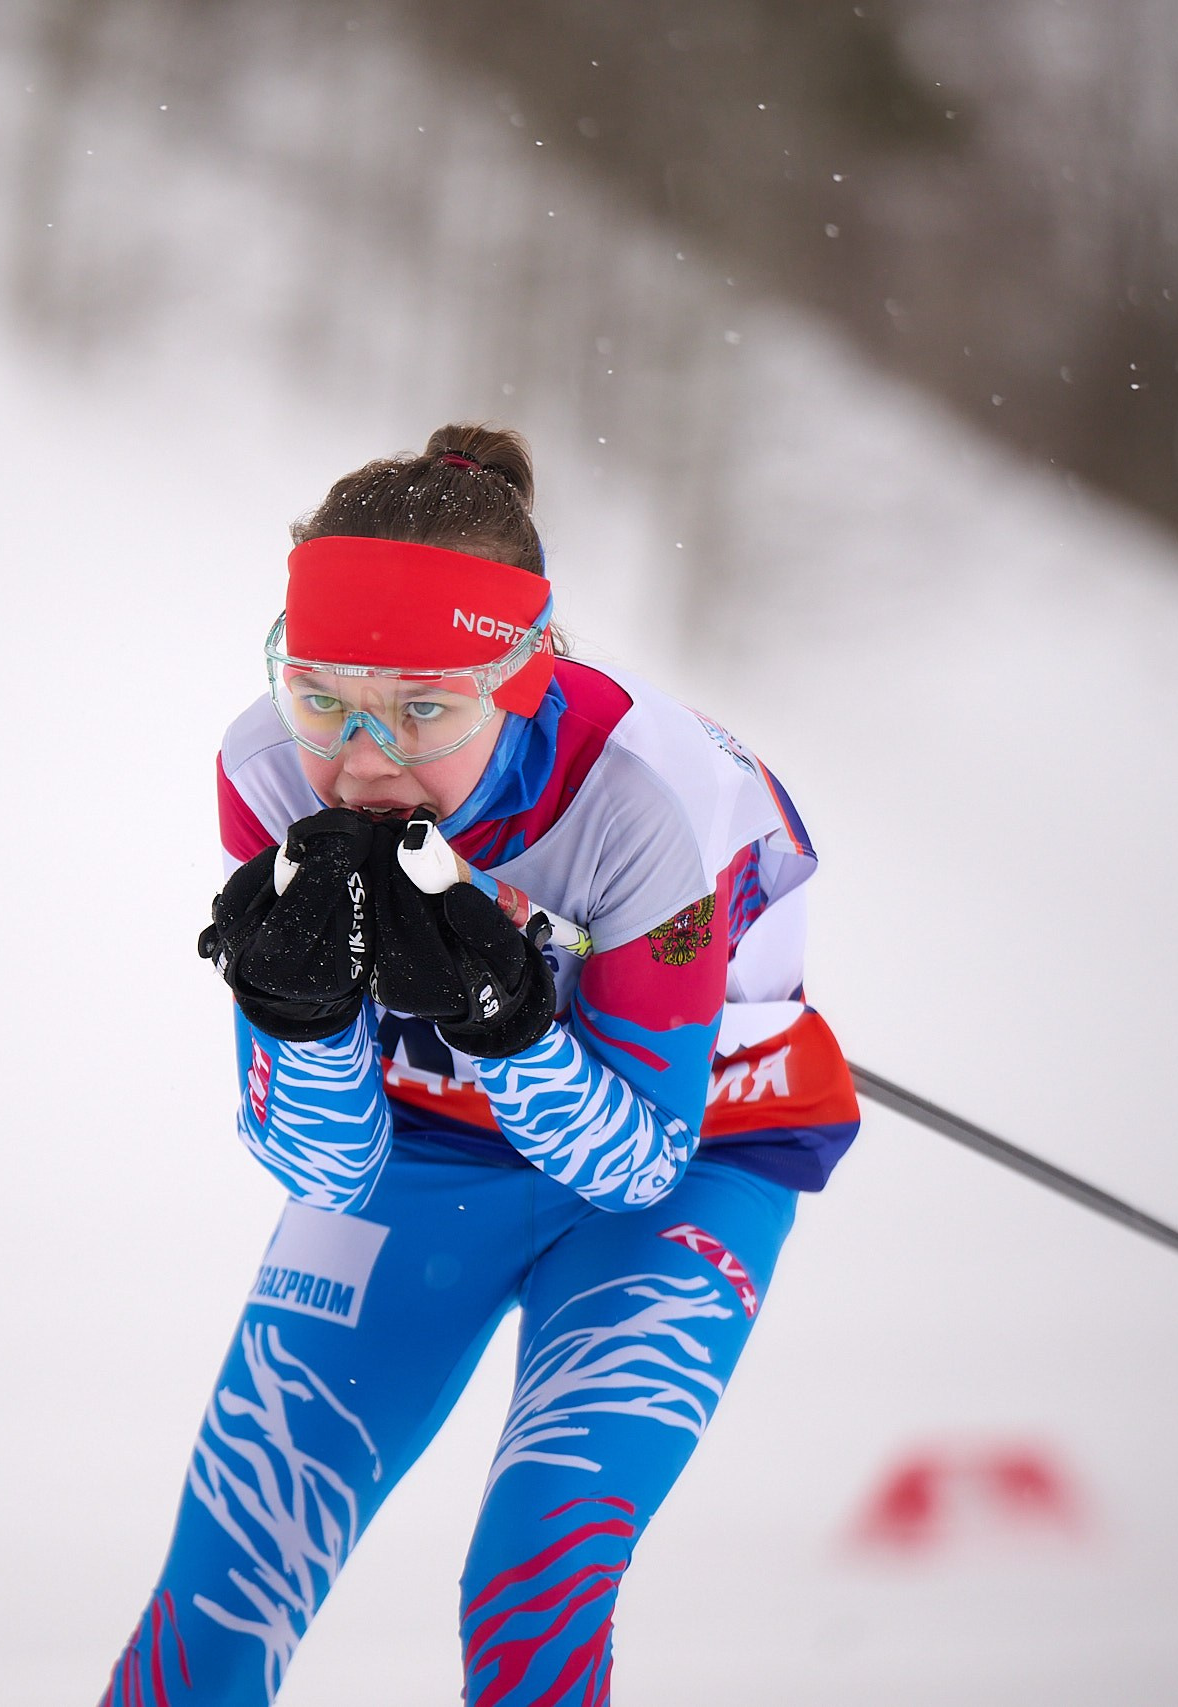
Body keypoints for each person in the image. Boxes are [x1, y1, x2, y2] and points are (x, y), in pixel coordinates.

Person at [100, 424, 859, 1706]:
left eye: (426, 711)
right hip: (429, 1155)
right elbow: (323, 1167)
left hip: (689, 1159)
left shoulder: (636, 801)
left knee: (533, 1583)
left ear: (524, 674)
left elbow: (635, 1165)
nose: (362, 760)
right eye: (320, 693)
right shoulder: (268, 768)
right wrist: (296, 1015)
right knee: (231, 1571)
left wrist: (508, 1030)